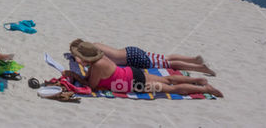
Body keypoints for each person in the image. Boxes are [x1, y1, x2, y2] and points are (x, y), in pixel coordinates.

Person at [64, 40, 222, 97]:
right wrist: (77, 75)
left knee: (170, 89)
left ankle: (205, 89)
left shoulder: (96, 66)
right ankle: (197, 79)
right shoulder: (100, 58)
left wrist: (75, 76)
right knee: (168, 78)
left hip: (132, 84)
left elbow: (91, 86)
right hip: (132, 72)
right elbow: (90, 77)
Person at [87, 41, 214, 75]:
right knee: (166, 57)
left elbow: (110, 65)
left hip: (133, 59)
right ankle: (193, 59)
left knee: (169, 64)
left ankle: (200, 68)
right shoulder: (96, 44)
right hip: (131, 50)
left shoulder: (95, 54)